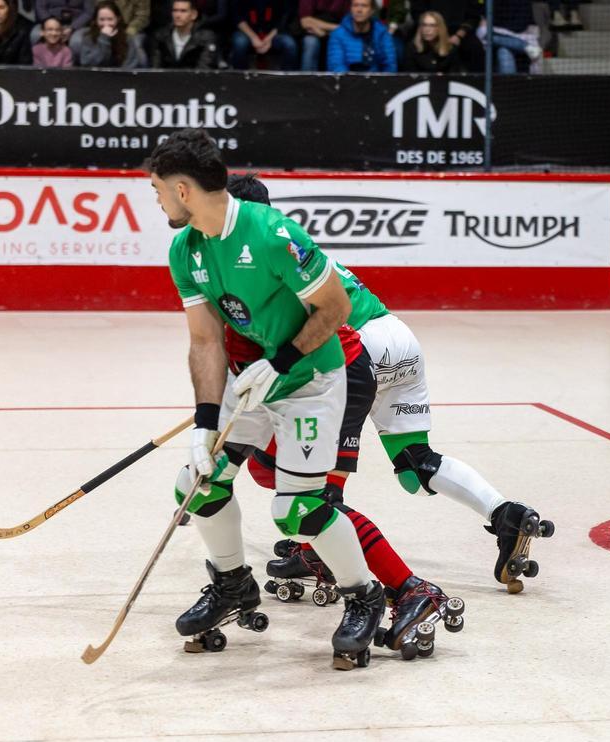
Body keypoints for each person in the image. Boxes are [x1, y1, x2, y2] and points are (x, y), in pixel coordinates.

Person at [226, 173, 554, 591]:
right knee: (416, 465)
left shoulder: (255, 254)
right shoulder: (288, 239)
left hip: (357, 347)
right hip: (397, 335)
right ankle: (505, 512)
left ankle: (317, 554)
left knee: (293, 470)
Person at [148, 130, 387, 669]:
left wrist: (278, 363)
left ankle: (364, 597)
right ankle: (232, 584)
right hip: (251, 383)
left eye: (158, 190)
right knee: (197, 483)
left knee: (297, 510)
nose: (156, 200)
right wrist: (205, 424)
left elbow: (337, 308)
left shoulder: (274, 234)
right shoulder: (185, 250)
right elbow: (205, 340)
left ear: (183, 190)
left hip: (311, 382)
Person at [224, 173, 460, 651]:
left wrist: (271, 373)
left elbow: (329, 320)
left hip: (339, 376)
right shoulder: (220, 260)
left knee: (315, 502)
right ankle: (319, 549)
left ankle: (409, 590)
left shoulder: (280, 254)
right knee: (266, 471)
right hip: (295, 385)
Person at [408, 0, 480, 71]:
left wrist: (459, 35)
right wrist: (428, 25)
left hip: (459, 31)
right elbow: (417, 12)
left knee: (475, 49)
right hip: (430, 24)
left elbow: (473, 16)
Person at [326, 0, 393, 73]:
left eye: (364, 6)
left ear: (372, 10)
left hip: (377, 80)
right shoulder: (338, 34)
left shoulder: (382, 34)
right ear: (350, 9)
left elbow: (390, 66)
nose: (359, 10)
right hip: (346, 81)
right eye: (355, 5)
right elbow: (336, 66)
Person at [229, 0, 297, 70]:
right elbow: (237, 18)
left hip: (273, 33)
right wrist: (253, 37)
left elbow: (284, 18)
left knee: (289, 44)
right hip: (248, 32)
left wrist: (268, 39)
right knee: (239, 42)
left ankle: (287, 77)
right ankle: (240, 75)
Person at [72, 0, 144, 65]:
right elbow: (88, 63)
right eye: (102, 20)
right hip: (98, 77)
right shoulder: (89, 38)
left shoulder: (127, 38)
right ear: (96, 20)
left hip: (121, 77)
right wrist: (104, 39)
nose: (106, 24)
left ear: (117, 19)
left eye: (110, 19)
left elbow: (131, 64)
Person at [150, 0, 217, 67]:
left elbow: (204, 70)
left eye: (183, 11)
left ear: (194, 14)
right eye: (175, 10)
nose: (178, 15)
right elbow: (155, 69)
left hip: (194, 77)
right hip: (166, 77)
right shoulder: (161, 36)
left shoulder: (205, 38)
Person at [482, 0, 540, 74]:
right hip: (496, 33)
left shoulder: (523, 3)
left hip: (519, 35)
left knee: (503, 50)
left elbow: (521, 25)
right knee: (486, 35)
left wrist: (506, 32)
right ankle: (524, 46)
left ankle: (509, 84)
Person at [297, 0, 345, 71]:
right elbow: (305, 21)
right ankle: (307, 80)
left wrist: (327, 32)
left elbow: (348, 25)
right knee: (310, 42)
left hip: (336, 33)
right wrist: (335, 28)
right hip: (311, 33)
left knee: (344, 40)